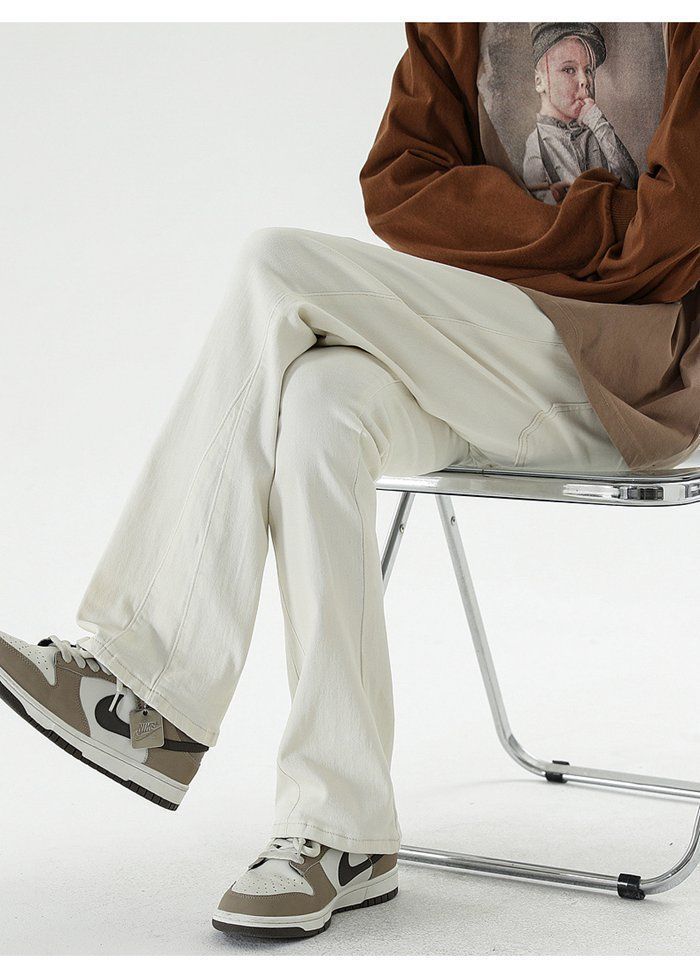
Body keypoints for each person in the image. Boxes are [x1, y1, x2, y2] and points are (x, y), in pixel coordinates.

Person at [1, 21, 698, 941]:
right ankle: (341, 832)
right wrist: (598, 226)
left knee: (275, 265)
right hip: (468, 347)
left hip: (620, 378)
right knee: (321, 402)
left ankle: (146, 688)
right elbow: (400, 190)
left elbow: (670, 239)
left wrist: (498, 230)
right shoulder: (459, 21)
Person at [522, 23, 639, 203]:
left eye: (588, 70)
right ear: (540, 82)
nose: (585, 80)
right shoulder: (537, 143)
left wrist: (597, 122)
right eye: (569, 70)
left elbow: (631, 183)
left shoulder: (596, 133)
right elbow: (537, 206)